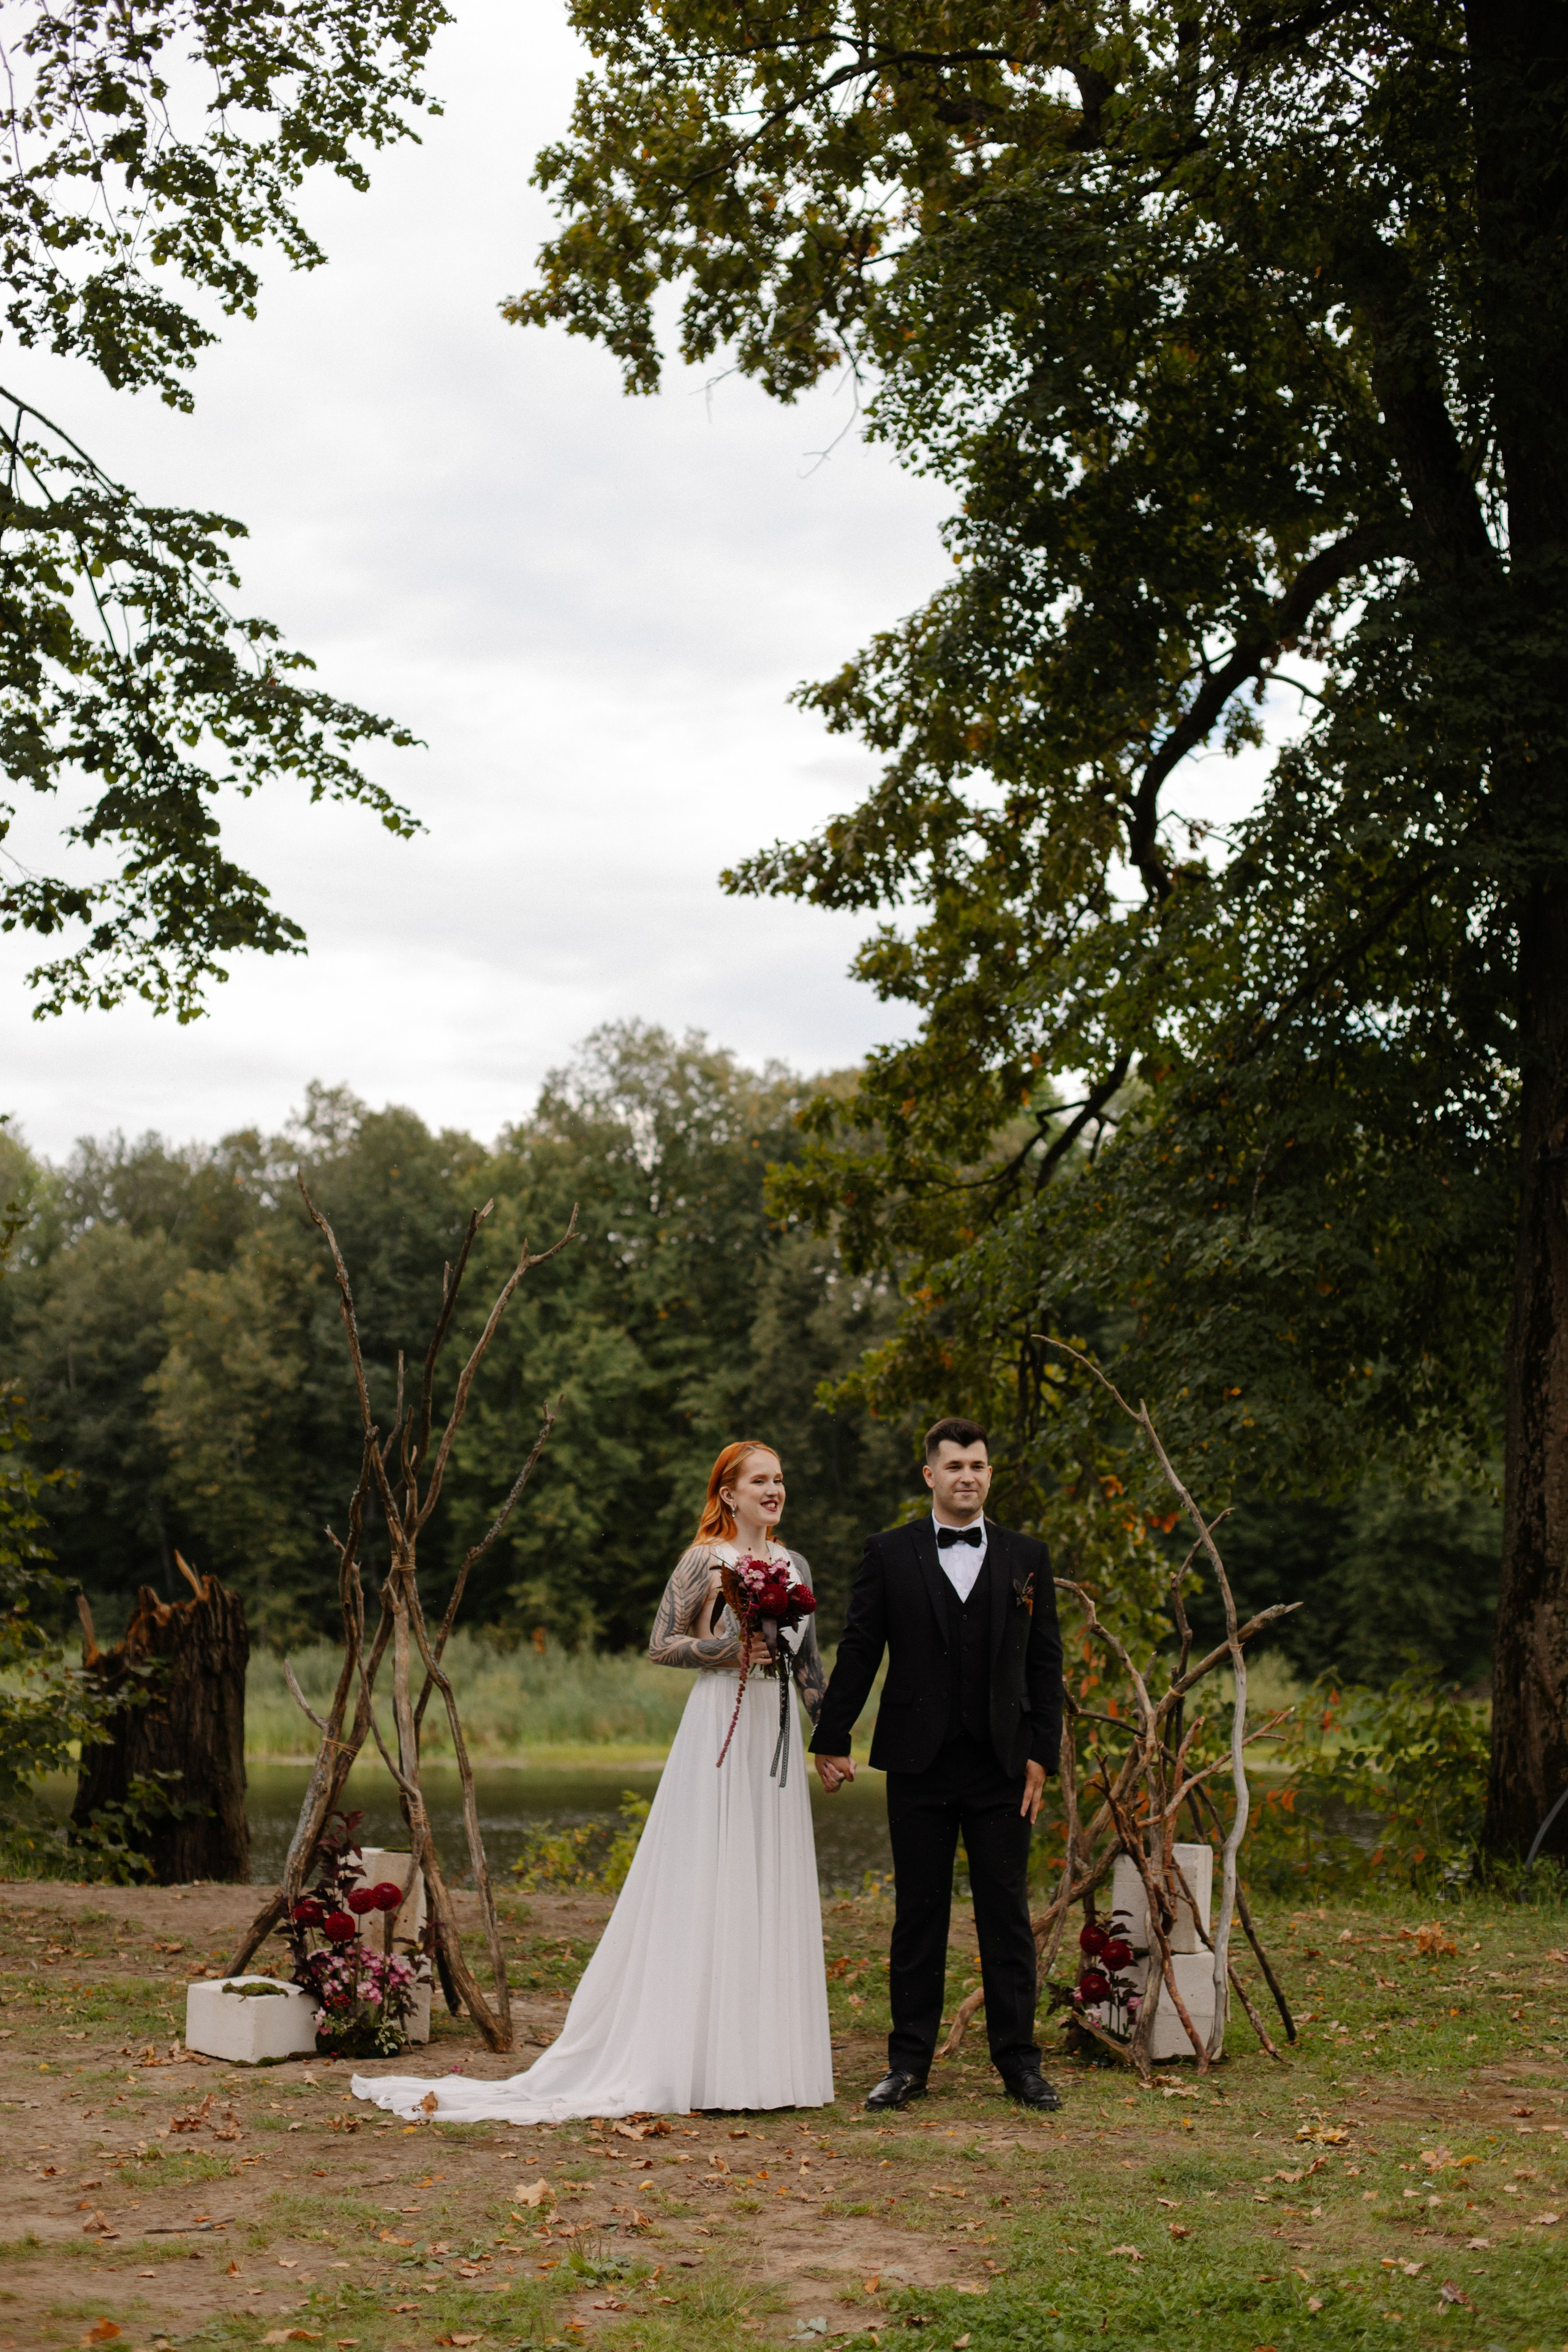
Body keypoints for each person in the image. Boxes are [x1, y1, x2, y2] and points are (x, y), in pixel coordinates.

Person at [350, 1440, 833, 2123]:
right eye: (760, 1480)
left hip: (773, 1737)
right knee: (713, 1883)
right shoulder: (705, 1560)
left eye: (779, 1479)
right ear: (728, 1493)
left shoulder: (794, 1565)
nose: (774, 1490)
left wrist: (829, 1737)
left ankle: (765, 2065)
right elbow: (661, 1644)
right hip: (719, 1736)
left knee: (766, 1883)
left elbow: (807, 1663)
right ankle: (698, 2060)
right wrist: (729, 1650)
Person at [810, 1417, 1064, 2112]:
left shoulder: (1027, 1556)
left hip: (1002, 1766)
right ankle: (908, 2064)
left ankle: (1019, 2064)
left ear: (989, 1472)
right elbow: (860, 1648)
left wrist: (1045, 1751)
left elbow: (1045, 1663)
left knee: (1005, 1915)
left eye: (978, 1465)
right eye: (954, 1466)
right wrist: (832, 1736)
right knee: (917, 1915)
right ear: (930, 1475)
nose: (968, 1477)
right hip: (916, 1764)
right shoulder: (888, 1553)